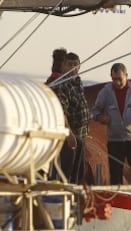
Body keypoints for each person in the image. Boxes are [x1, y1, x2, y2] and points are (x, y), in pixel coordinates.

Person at [92, 63, 131, 185]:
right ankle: (117, 202)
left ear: (126, 76)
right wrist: (100, 117)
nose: (117, 82)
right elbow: (95, 111)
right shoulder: (106, 92)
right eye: (114, 79)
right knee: (115, 176)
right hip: (114, 141)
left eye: (119, 79)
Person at [50, 52, 90, 184]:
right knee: (66, 172)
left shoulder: (78, 82)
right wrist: (69, 135)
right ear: (63, 66)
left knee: (77, 172)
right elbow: (61, 112)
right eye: (69, 64)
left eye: (75, 64)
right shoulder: (62, 84)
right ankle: (65, 199)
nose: (73, 67)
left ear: (79, 66)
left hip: (81, 134)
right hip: (69, 136)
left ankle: (75, 199)